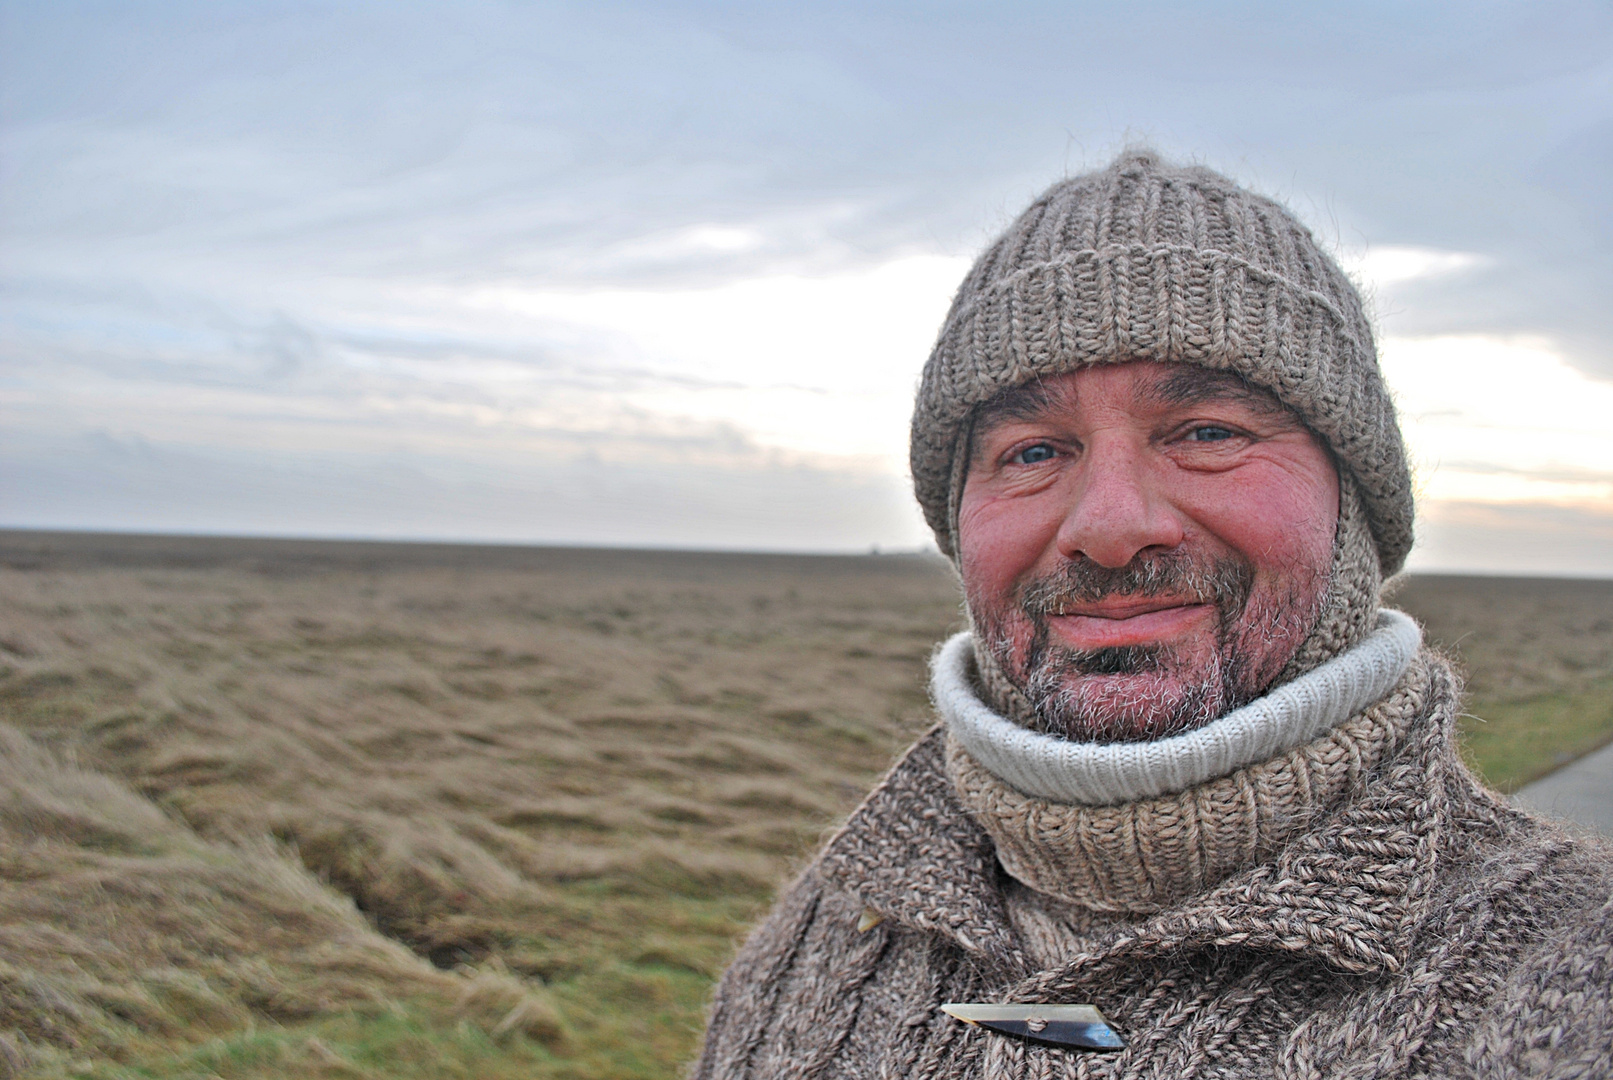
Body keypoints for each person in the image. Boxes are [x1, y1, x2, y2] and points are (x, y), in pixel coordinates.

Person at [692, 151, 1613, 1079]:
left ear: (1356, 504)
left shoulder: (1575, 987)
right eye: (1033, 450)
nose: (1109, 526)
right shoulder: (807, 944)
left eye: (1208, 433)